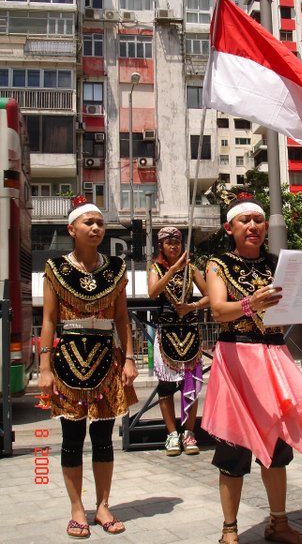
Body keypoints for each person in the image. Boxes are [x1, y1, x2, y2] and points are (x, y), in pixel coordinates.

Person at [202, 192, 302, 544]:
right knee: (234, 448)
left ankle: (278, 525)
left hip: (273, 356)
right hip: (236, 358)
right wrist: (250, 303)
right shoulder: (217, 265)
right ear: (229, 228)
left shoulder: (279, 264)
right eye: (244, 220)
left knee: (278, 446)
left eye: (258, 220)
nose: (253, 226)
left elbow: (298, 310)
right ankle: (229, 531)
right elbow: (219, 311)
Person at [38, 195, 138, 538]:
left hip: (105, 360)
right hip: (67, 359)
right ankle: (77, 508)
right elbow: (49, 321)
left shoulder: (116, 269)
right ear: (72, 229)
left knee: (104, 438)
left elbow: (122, 318)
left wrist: (129, 358)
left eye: (100, 223)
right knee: (71, 438)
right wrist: (45, 368)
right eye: (88, 223)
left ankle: (104, 504)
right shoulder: (56, 269)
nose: (96, 228)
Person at [148, 226, 209, 456]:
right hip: (167, 332)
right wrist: (172, 270)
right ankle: (172, 433)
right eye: (169, 242)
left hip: (190, 331)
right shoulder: (155, 268)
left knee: (189, 383)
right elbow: (153, 292)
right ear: (161, 246)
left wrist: (191, 306)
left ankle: (189, 432)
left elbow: (210, 296)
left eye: (177, 242)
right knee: (166, 385)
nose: (174, 246)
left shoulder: (192, 269)